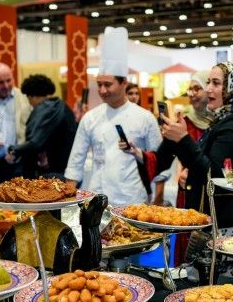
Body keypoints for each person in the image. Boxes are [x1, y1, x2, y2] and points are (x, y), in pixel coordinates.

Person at [125, 61, 233, 276]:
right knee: (203, 287)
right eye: (208, 82)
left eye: (216, 83)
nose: (209, 89)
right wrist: (172, 143)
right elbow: (201, 165)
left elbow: (214, 174)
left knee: (225, 292)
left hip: (229, 228)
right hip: (215, 222)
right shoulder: (221, 120)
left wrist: (184, 140)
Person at [64, 27, 162, 206]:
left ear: (124, 82)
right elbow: (75, 162)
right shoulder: (90, 118)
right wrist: (66, 203)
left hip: (132, 200)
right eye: (99, 84)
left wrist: (158, 202)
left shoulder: (145, 117)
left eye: (108, 85)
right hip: (95, 197)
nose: (102, 90)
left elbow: (160, 164)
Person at [173, 70, 211, 264]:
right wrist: (181, 172)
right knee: (186, 233)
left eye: (198, 88)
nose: (192, 93)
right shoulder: (185, 121)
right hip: (187, 187)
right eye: (190, 89)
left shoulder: (219, 122)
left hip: (209, 189)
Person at [8, 74, 77, 179]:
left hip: (53, 173)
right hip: (68, 170)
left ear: (31, 96)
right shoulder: (63, 106)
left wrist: (14, 149)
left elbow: (35, 143)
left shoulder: (45, 109)